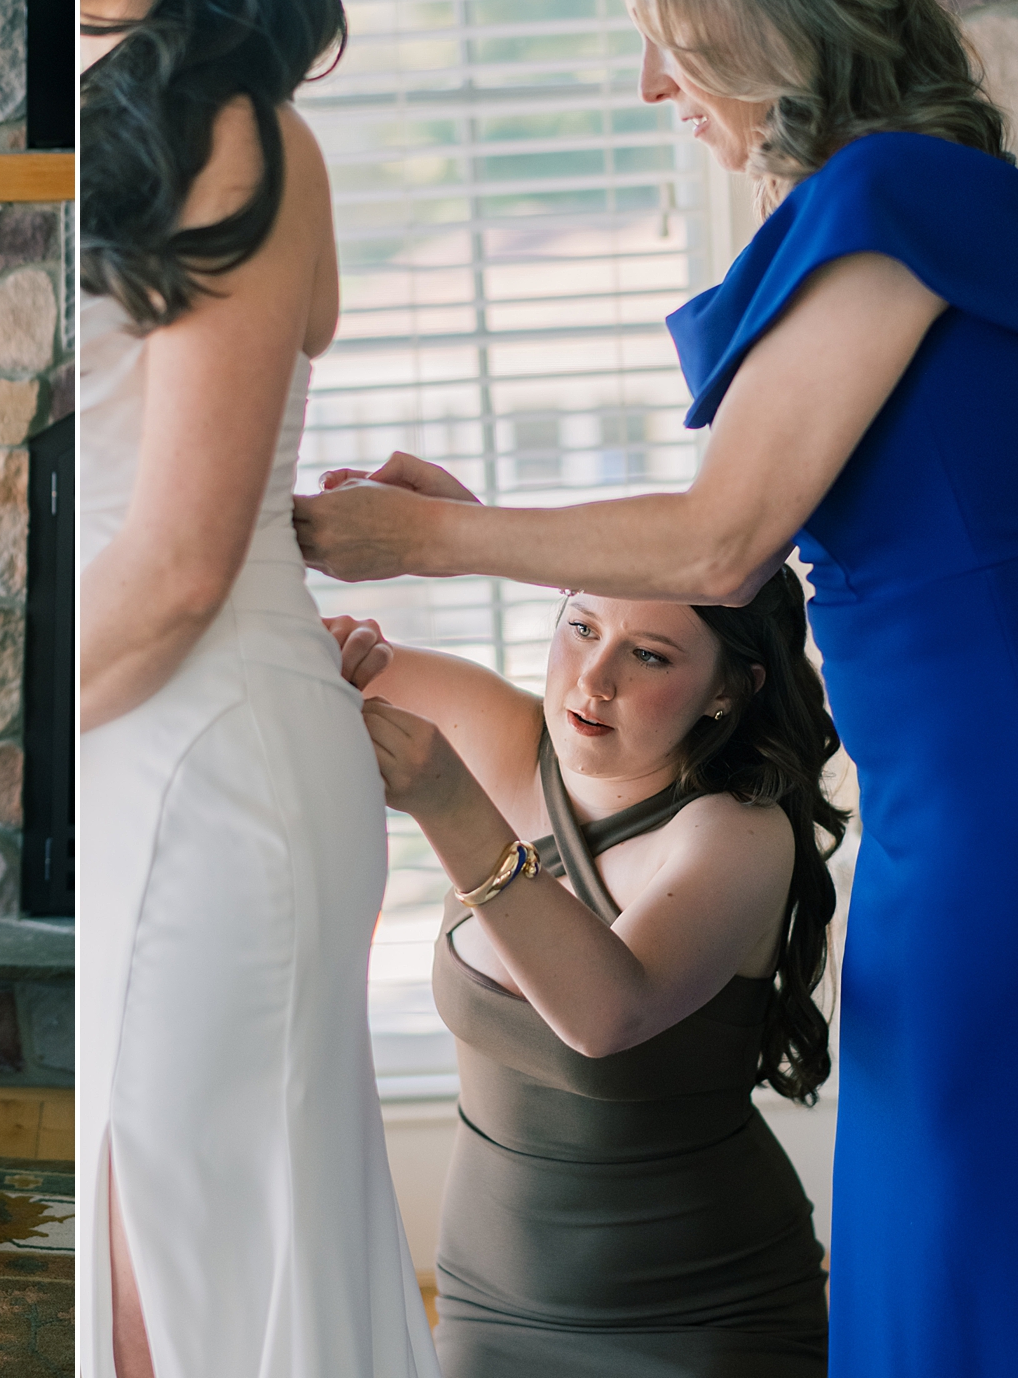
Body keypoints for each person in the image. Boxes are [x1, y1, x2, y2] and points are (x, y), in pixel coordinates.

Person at [294, 0, 1018, 1373]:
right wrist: (491, 534)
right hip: (944, 805)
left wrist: (440, 540)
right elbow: (732, 528)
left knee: (985, 1240)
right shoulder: (903, 196)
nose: (652, 84)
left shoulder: (905, 191)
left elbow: (727, 539)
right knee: (935, 1237)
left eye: (665, 37)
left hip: (1005, 803)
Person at [79, 0, 441, 1374]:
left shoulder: (230, 128)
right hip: (135, 729)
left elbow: (176, 566)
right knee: (133, 1262)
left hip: (204, 754)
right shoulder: (131, 114)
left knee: (200, 1279)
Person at [329, 573, 833, 1376]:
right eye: (584, 627)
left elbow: (605, 1015)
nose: (595, 680)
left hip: (705, 1319)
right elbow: (273, 657)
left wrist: (451, 804)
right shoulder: (500, 728)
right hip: (484, 1307)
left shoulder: (737, 833)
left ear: (729, 689)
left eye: (650, 655)